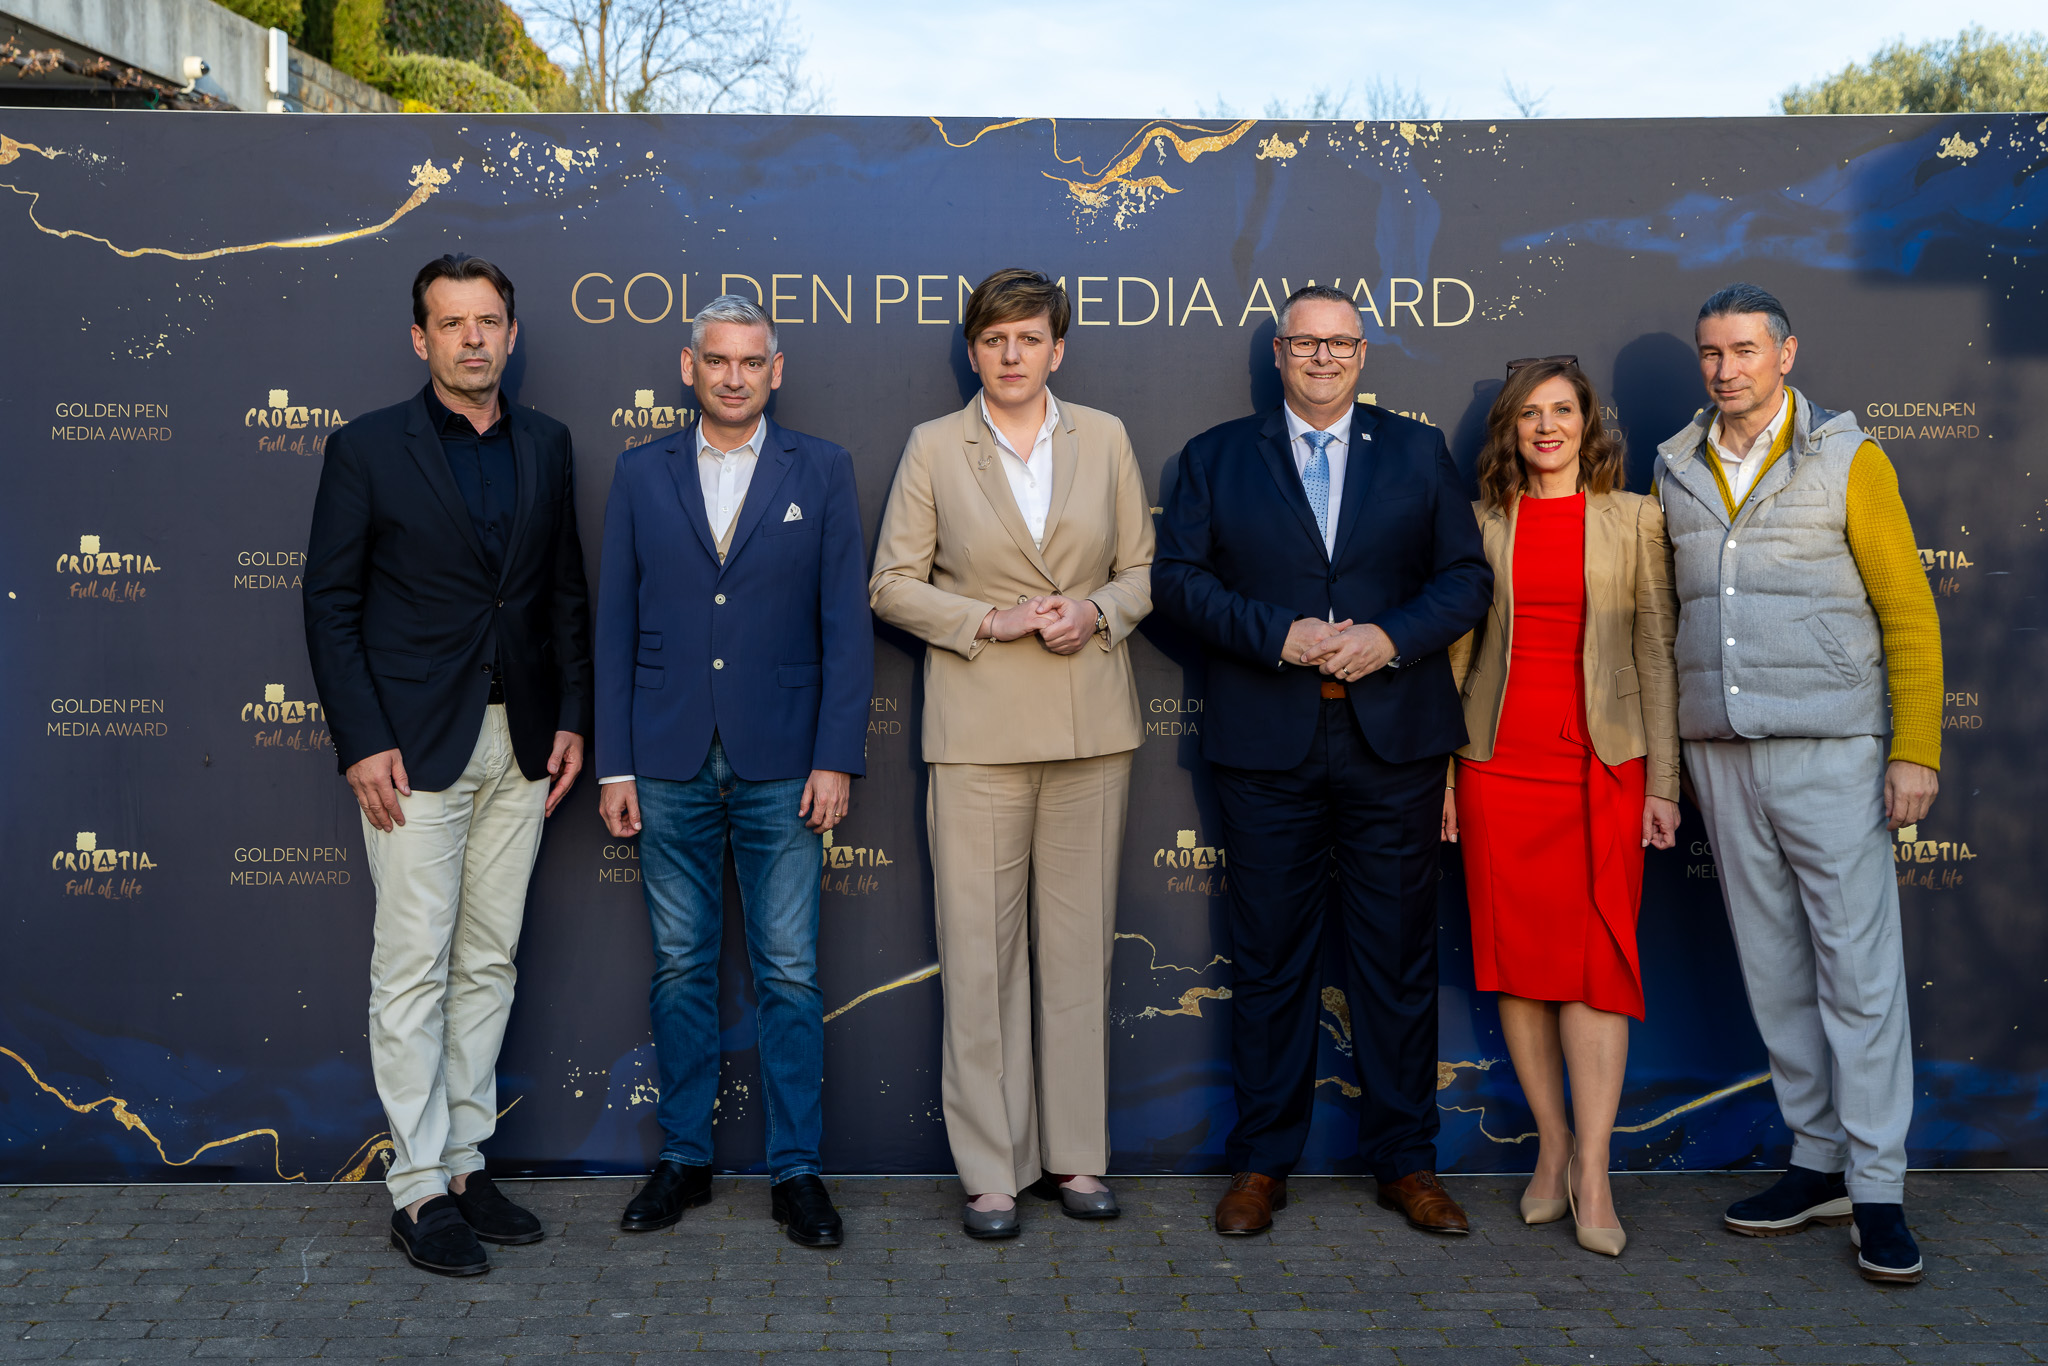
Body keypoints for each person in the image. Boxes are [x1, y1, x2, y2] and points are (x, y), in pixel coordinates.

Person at [1154, 284, 1492, 1237]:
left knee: (1397, 959)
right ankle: (1262, 1163)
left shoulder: (1418, 451)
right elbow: (1177, 581)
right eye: (1306, 343)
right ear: (1279, 352)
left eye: (1341, 344)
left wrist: (1390, 637)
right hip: (1267, 744)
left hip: (1394, 740)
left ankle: (1407, 1162)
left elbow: (1466, 579)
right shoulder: (1217, 455)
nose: (1324, 358)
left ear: (1363, 353)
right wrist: (1279, 634)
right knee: (1270, 961)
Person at [304, 254, 593, 1277]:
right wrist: (360, 739)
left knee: (486, 962)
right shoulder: (365, 448)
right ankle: (418, 1186)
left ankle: (466, 1163)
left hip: (523, 743)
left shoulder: (548, 444)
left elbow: (563, 593)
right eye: (453, 322)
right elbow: (329, 605)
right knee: (413, 966)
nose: (474, 338)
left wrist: (570, 719)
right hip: (411, 748)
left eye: (489, 321)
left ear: (512, 334)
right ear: (420, 339)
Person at [1657, 283, 1940, 1285]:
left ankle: (1877, 1189)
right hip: (1722, 753)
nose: (1724, 369)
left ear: (1784, 353)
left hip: (1833, 749)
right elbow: (1665, 618)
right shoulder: (1674, 464)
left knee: (1857, 975)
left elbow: (1907, 612)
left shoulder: (1849, 458)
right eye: (1710, 352)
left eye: (1743, 350)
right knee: (1774, 971)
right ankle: (1816, 1163)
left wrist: (1914, 749)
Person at [869, 268, 1153, 1239]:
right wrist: (987, 620)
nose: (1011, 354)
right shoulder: (932, 446)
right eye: (994, 339)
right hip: (978, 733)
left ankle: (1076, 1156)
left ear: (1056, 348)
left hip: (1089, 731)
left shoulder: (1105, 437)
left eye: (1029, 338)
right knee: (980, 960)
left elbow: (1141, 570)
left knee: (1077, 956)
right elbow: (891, 584)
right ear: (972, 349)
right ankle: (991, 1169)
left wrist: (1095, 611)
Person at [595, 294, 872, 1248]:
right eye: (717, 360)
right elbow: (615, 626)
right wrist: (615, 765)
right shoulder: (640, 472)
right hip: (665, 759)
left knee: (790, 970)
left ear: (775, 370)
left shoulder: (823, 468)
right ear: (689, 366)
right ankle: (684, 1158)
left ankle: (797, 1170)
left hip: (786, 760)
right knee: (681, 968)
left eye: (752, 361)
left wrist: (836, 756)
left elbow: (845, 627)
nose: (734, 376)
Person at [1441, 357, 1680, 1258]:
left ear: (1589, 423)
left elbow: (1657, 652)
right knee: (1519, 964)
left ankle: (1595, 1168)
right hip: (1498, 764)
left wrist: (1664, 783)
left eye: (1563, 411)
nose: (1547, 428)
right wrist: (1446, 777)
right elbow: (1457, 655)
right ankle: (1550, 1145)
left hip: (1603, 766)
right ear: (1511, 428)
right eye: (1530, 414)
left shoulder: (1635, 518)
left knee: (1596, 965)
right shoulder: (1481, 522)